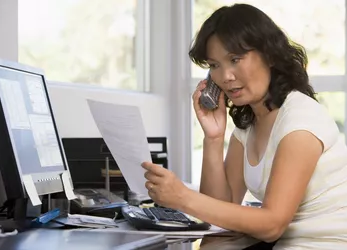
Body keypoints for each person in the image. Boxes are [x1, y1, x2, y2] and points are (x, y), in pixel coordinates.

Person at [141, 3, 347, 249]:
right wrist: (213, 139)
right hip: (283, 241)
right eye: (214, 65)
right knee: (214, 244)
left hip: (324, 243)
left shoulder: (300, 120)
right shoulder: (249, 124)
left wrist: (183, 198)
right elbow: (218, 212)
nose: (225, 76)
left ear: (269, 55)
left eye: (235, 59)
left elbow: (272, 224)